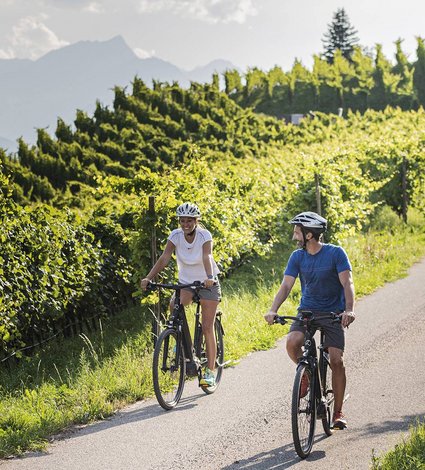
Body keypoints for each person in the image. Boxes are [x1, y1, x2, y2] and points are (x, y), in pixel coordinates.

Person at [264, 211, 355, 429]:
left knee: (336, 360)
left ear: (310, 234)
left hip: (333, 313)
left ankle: (338, 412)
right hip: (308, 311)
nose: (294, 232)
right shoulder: (297, 257)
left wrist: (349, 310)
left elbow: (347, 283)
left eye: (298, 229)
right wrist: (273, 309)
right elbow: (286, 285)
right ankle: (307, 373)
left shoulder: (335, 253)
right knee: (292, 342)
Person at [141, 202, 221, 387]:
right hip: (186, 283)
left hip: (207, 283)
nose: (185, 224)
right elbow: (164, 257)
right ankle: (184, 342)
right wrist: (148, 277)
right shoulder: (175, 236)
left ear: (196, 221)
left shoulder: (204, 235)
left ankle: (210, 372)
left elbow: (207, 256)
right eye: (182, 220)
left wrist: (209, 277)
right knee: (174, 304)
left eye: (189, 221)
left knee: (207, 326)